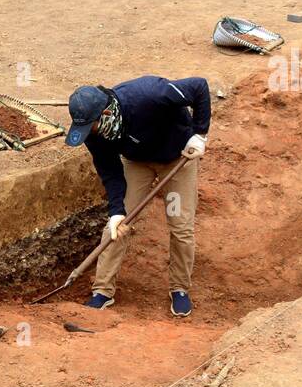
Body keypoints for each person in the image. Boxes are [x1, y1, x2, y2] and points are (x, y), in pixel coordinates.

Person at [64, 77, 211, 317]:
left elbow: (199, 87)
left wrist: (199, 134)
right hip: (136, 162)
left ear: (107, 112)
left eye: (91, 125)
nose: (89, 131)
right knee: (119, 225)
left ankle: (179, 289)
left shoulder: (148, 95)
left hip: (178, 159)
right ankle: (102, 291)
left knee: (180, 225)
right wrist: (116, 211)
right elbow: (109, 171)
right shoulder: (92, 133)